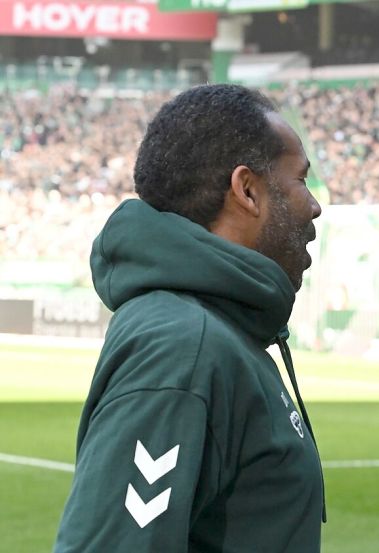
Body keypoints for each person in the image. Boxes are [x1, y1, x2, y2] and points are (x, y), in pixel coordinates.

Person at [54, 84, 325, 552]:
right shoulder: (183, 346)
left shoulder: (218, 333)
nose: (315, 205)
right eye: (301, 180)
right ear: (247, 191)